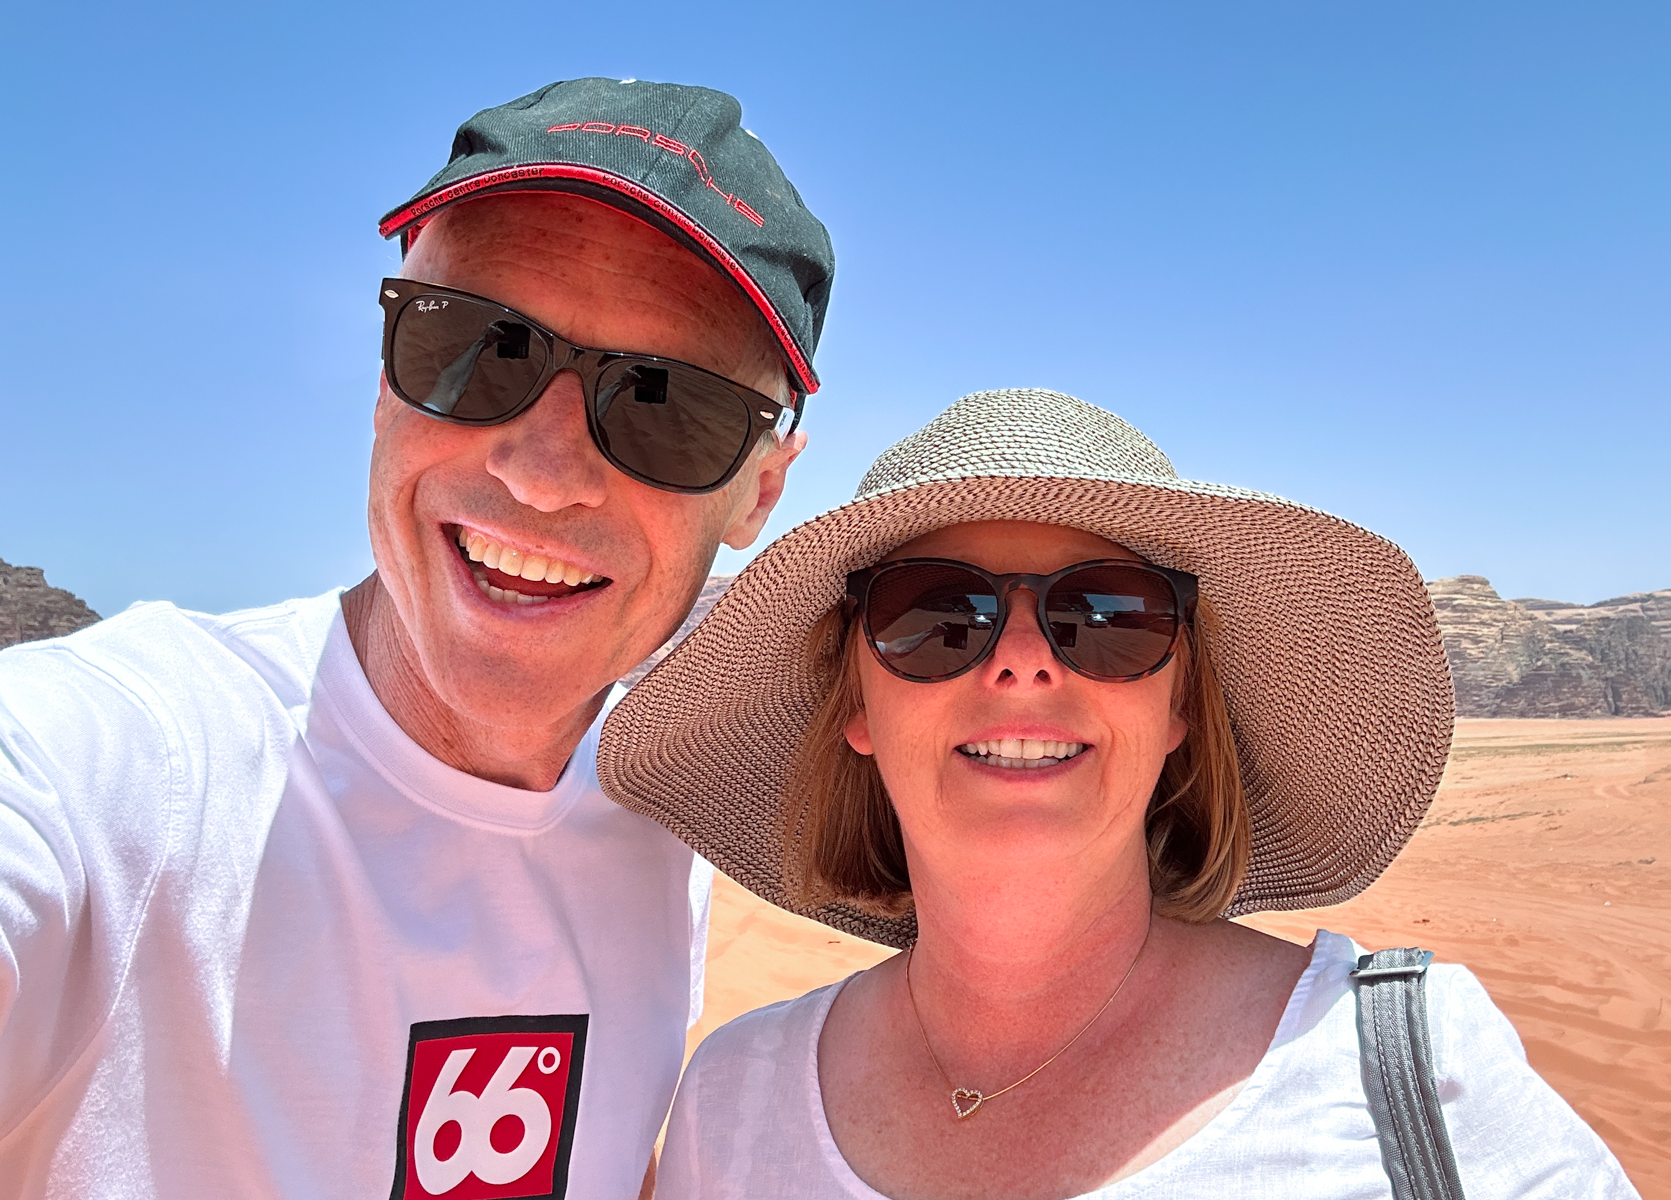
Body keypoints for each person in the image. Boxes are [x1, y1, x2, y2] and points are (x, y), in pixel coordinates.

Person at [0, 77, 833, 1199]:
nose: (542, 470)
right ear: (386, 375)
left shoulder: (662, 817)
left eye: (669, 406)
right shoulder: (121, 761)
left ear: (759, 493)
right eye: (480, 348)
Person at [598, 388, 1640, 1199]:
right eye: (933, 615)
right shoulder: (732, 1100)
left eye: (1107, 615)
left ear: (1181, 702)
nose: (1021, 666)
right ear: (854, 706)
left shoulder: (1410, 1071)